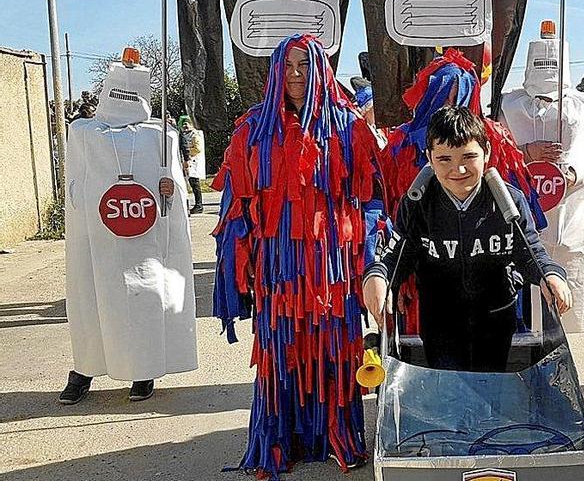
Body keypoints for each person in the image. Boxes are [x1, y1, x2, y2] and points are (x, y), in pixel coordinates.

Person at [211, 35, 378, 478]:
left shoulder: (349, 127)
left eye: (305, 65)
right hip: (278, 271)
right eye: (287, 66)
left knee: (335, 351)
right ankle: (278, 441)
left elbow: (371, 199)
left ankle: (337, 436)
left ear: (322, 70)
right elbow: (236, 208)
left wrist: (369, 261)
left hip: (332, 269)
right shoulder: (252, 130)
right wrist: (235, 271)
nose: (296, 75)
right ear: (274, 72)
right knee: (279, 354)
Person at [363, 106, 572, 371]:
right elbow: (396, 255)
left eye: (469, 156)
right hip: (439, 324)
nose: (458, 169)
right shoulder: (418, 203)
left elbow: (530, 252)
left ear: (487, 153)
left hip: (497, 321)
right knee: (448, 391)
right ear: (429, 158)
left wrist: (550, 275)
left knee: (491, 390)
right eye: (444, 159)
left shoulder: (509, 201)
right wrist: (377, 276)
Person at [61, 51, 197, 405]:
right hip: (98, 240)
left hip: (144, 243)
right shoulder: (84, 133)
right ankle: (85, 370)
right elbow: (74, 186)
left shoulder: (160, 136)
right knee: (92, 303)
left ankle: (143, 369)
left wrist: (171, 188)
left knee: (143, 304)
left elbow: (173, 190)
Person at [378, 49, 545, 334]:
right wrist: (394, 277)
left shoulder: (494, 138)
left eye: (459, 96)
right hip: (422, 277)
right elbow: (388, 213)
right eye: (443, 95)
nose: (450, 105)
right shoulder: (401, 143)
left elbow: (522, 223)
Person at [499, 22, 584, 333]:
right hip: (520, 203)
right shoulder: (509, 104)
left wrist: (571, 172)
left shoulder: (582, 105)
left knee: (564, 296)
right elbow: (494, 147)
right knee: (521, 292)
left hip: (570, 213)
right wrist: (526, 152)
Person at [178, 116, 206, 214]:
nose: (185, 125)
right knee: (190, 183)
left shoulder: (195, 134)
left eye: (188, 123)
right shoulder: (184, 134)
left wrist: (187, 152)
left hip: (193, 162)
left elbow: (197, 148)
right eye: (184, 123)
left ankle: (199, 205)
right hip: (188, 162)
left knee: (195, 184)